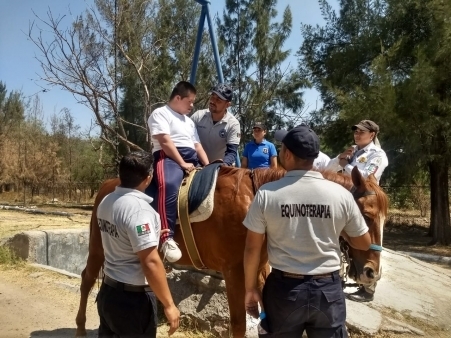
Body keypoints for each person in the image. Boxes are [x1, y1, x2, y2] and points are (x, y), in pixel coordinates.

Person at [243, 124, 371, 337]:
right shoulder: (341, 195)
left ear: (287, 154)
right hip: (328, 292)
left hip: (284, 290)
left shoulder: (267, 194)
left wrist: (250, 289)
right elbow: (364, 243)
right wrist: (337, 229)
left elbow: (251, 249)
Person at [96, 151, 180, 337]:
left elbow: (120, 235)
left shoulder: (106, 201)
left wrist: (150, 238)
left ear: (121, 175)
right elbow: (150, 263)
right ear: (148, 178)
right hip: (133, 301)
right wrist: (169, 305)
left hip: (108, 293)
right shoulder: (140, 210)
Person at [326, 119, 388, 302]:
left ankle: (368, 287)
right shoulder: (352, 151)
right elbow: (327, 169)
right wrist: (339, 160)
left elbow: (364, 178)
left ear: (372, 134)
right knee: (340, 240)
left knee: (371, 241)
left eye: (362, 131)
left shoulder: (378, 155)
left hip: (368, 204)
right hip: (345, 201)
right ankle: (339, 278)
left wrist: (345, 165)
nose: (357, 134)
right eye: (356, 131)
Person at [147, 81, 209, 263]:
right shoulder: (160, 113)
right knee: (168, 184)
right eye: (190, 101)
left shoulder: (189, 122)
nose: (192, 106)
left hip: (191, 158)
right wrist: (182, 163)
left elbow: (197, 146)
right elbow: (165, 142)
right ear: (177, 98)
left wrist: (209, 165)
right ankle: (166, 237)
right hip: (168, 157)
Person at [190, 83, 241, 166]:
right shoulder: (198, 116)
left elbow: (231, 153)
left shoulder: (233, 124)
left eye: (218, 100)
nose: (213, 101)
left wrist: (223, 165)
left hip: (222, 168)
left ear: (227, 105)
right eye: (212, 97)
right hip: (197, 165)